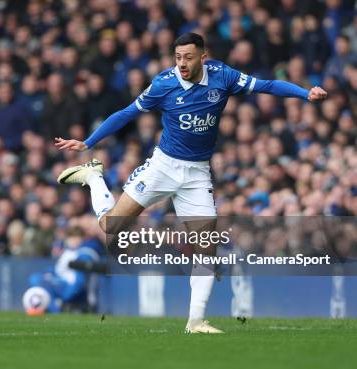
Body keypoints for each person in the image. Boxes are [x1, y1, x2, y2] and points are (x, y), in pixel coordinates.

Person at [55, 33, 328, 333]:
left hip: (197, 173)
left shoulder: (223, 76)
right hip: (162, 167)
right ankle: (95, 178)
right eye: (177, 57)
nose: (182, 63)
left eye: (187, 57)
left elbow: (267, 85)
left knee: (206, 248)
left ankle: (195, 321)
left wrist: (306, 94)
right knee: (110, 228)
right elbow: (126, 113)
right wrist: (89, 142)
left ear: (203, 56)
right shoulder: (163, 84)